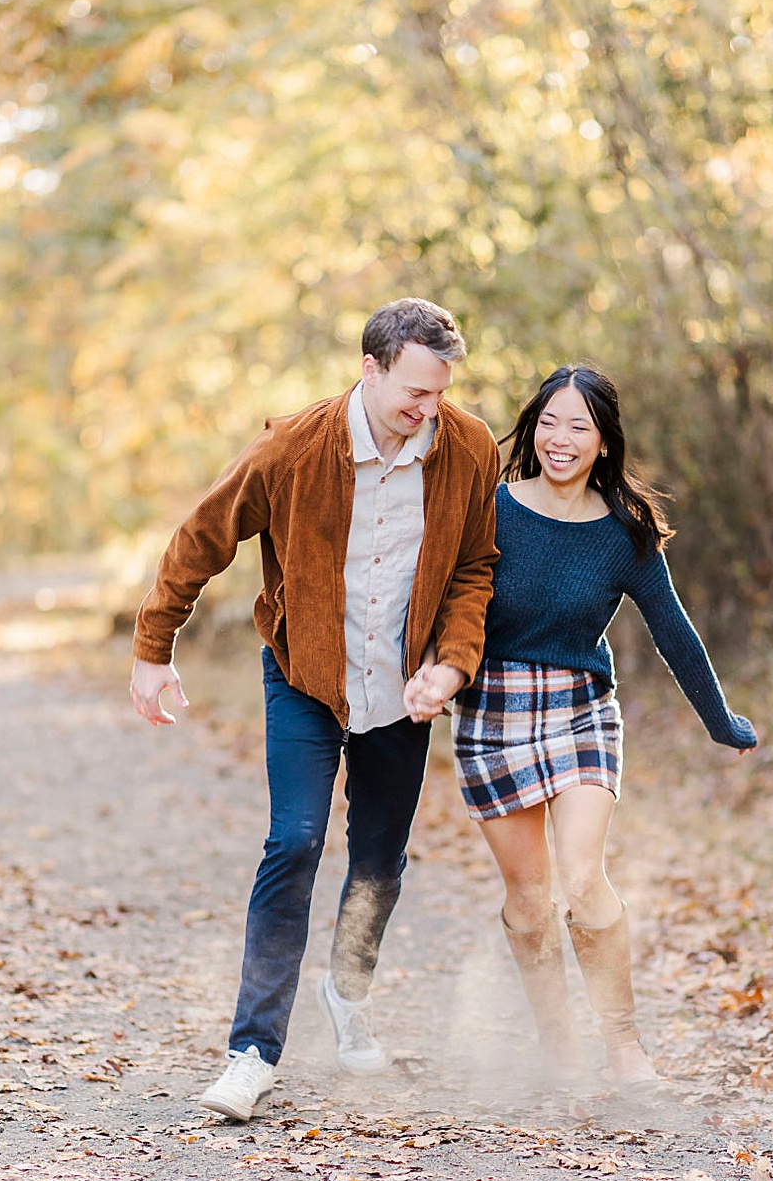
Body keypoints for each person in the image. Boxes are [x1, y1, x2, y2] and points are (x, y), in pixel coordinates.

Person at [129, 297, 501, 1122]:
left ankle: (350, 992)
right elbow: (202, 537)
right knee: (294, 841)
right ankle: (251, 1052)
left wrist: (452, 663)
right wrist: (155, 645)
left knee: (379, 862)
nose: (427, 410)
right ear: (369, 368)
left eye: (440, 393)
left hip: (403, 689)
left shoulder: (470, 448)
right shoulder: (294, 447)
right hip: (303, 674)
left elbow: (476, 567)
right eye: (413, 392)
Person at [451, 363, 757, 1090]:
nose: (561, 439)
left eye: (579, 426)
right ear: (532, 427)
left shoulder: (625, 531)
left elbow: (675, 634)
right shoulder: (486, 509)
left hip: (582, 707)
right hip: (493, 709)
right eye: (549, 422)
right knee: (529, 901)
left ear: (603, 441)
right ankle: (561, 1053)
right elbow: (440, 599)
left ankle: (624, 1050)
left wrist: (721, 721)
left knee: (584, 881)